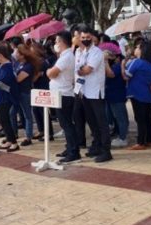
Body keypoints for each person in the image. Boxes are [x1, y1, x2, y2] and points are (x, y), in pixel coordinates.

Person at [73, 27, 112, 163]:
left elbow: (87, 70)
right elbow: (78, 69)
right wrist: (80, 71)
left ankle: (106, 151)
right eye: (82, 37)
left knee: (101, 122)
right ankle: (97, 146)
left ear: (93, 38)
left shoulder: (97, 52)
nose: (85, 40)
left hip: (95, 91)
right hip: (84, 91)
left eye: (87, 37)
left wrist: (80, 70)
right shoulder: (79, 51)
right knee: (91, 121)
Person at [48, 31, 79, 164]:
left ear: (62, 42)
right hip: (60, 93)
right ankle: (69, 148)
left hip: (63, 94)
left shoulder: (66, 57)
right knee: (64, 124)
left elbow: (52, 73)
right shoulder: (64, 56)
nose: (55, 44)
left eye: (56, 41)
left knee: (67, 124)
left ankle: (74, 152)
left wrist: (48, 71)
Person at [123, 40, 151, 150]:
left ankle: (141, 142)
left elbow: (126, 76)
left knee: (140, 119)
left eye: (138, 47)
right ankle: (149, 140)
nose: (136, 49)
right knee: (148, 117)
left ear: (142, 50)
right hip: (148, 94)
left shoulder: (137, 62)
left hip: (136, 94)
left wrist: (122, 65)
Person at [11, 44, 41, 146]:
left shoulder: (28, 66)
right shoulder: (19, 64)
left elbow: (18, 79)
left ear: (22, 55)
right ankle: (18, 134)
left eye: (17, 53)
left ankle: (28, 137)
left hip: (25, 92)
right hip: (18, 92)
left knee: (27, 115)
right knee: (16, 113)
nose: (15, 55)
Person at [104, 46, 128, 148]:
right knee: (118, 117)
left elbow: (111, 75)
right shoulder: (114, 65)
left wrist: (105, 61)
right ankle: (121, 136)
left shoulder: (118, 66)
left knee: (121, 117)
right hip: (112, 96)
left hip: (117, 95)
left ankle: (123, 138)